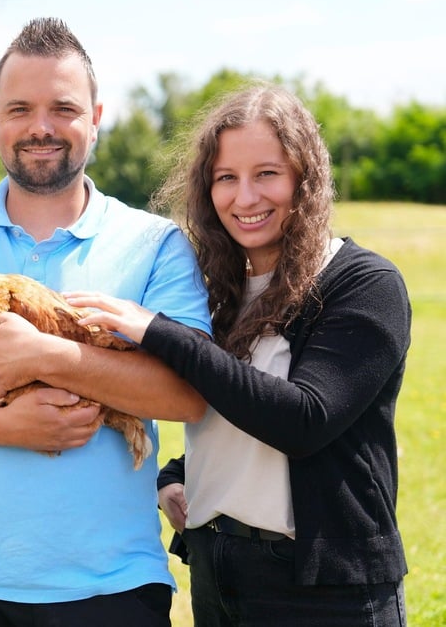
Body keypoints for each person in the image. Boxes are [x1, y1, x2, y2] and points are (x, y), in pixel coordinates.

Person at [0, 17, 212, 627]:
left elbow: (189, 395)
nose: (40, 127)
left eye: (63, 107)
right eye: (19, 109)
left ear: (96, 115)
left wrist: (44, 357)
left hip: (115, 585)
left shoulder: (155, 244)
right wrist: (5, 426)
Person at [62, 83, 411, 625]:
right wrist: (176, 474)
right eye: (226, 178)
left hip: (324, 593)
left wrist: (158, 330)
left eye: (266, 173)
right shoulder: (218, 290)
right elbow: (230, 410)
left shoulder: (364, 284)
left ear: (306, 178)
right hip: (218, 572)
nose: (245, 198)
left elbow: (303, 418)